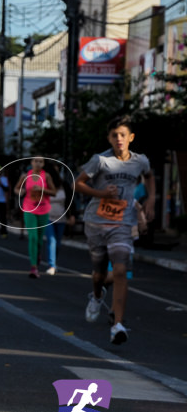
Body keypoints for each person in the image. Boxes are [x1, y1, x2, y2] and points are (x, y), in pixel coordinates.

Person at [75, 115, 155, 345]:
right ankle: (97, 295)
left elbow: (149, 177)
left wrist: (151, 199)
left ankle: (117, 325)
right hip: (96, 222)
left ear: (131, 137)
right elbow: (78, 184)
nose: (118, 139)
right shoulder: (100, 160)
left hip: (122, 223)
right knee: (99, 272)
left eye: (122, 135)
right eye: (114, 135)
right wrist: (101, 194)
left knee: (120, 270)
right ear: (109, 138)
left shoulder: (140, 161)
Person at [17, 156, 57, 278]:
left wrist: (42, 189)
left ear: (43, 164)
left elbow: (54, 192)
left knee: (39, 240)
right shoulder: (25, 176)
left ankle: (37, 254)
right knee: (33, 237)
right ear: (32, 162)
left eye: (41, 161)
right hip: (29, 209)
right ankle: (33, 267)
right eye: (36, 161)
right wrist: (20, 192)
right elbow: (16, 188)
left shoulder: (47, 176)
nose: (38, 163)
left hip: (43, 209)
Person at [43, 163, 74, 275]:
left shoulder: (64, 185)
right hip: (47, 216)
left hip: (61, 217)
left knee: (58, 243)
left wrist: (71, 215)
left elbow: (70, 202)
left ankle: (53, 261)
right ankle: (52, 265)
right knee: (52, 240)